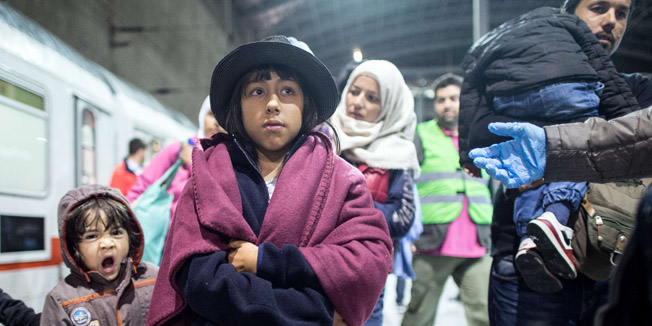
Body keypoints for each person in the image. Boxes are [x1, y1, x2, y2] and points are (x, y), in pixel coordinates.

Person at [145, 35, 393, 326]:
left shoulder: (344, 180)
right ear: (238, 104)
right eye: (257, 91)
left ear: (306, 101)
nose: (273, 103)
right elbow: (201, 279)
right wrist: (317, 313)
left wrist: (264, 261)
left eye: (287, 90)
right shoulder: (207, 176)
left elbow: (365, 263)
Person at [462, 0, 650, 324]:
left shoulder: (639, 88)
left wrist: (552, 143)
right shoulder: (518, 79)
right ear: (567, 15)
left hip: (608, 258)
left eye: (621, 13)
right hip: (525, 264)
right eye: (599, 7)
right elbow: (481, 134)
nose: (610, 21)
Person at [329, 59, 419, 326]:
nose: (357, 102)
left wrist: (343, 209)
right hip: (317, 264)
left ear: (388, 105)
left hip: (366, 271)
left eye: (372, 98)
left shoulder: (398, 152)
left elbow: (402, 217)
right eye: (354, 91)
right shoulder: (325, 137)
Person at [400, 74, 492, 326]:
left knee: (484, 315)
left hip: (477, 243)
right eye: (441, 100)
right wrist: (406, 234)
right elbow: (403, 187)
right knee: (418, 316)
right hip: (431, 243)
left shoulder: (480, 137)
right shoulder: (420, 135)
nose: (447, 104)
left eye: (453, 98)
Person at [40, 184, 158, 325]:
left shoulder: (155, 278)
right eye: (92, 236)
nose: (107, 243)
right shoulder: (61, 300)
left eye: (116, 233)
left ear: (130, 236)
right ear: (73, 246)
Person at [126, 95, 224, 219]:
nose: (216, 122)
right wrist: (125, 216)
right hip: (166, 234)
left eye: (223, 117)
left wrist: (193, 164)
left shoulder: (230, 161)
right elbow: (144, 184)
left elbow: (219, 199)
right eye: (211, 114)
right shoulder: (179, 149)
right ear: (202, 116)